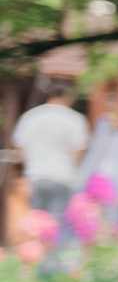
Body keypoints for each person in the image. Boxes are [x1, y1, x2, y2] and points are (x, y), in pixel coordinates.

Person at [13, 83, 89, 268]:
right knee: (56, 226)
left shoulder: (31, 116)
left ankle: (33, 265)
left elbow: (22, 149)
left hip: (36, 176)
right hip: (62, 177)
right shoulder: (75, 119)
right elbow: (79, 152)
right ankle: (52, 268)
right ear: (68, 97)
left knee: (35, 226)